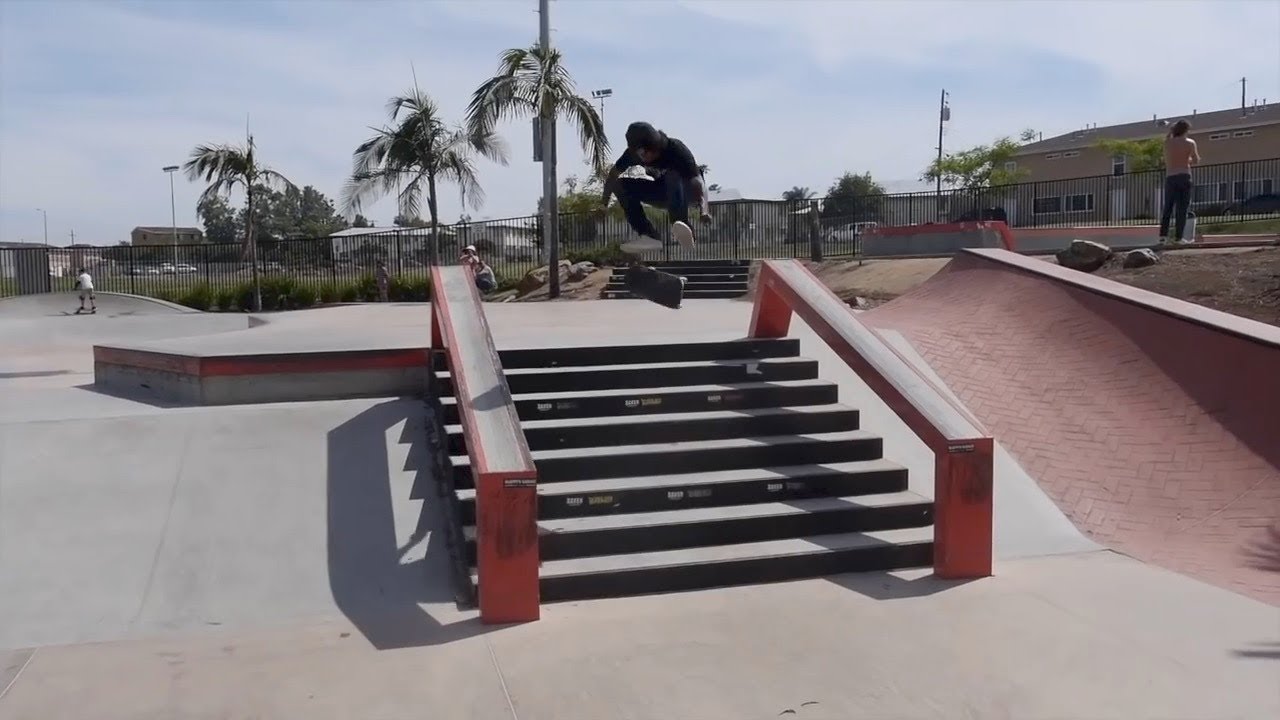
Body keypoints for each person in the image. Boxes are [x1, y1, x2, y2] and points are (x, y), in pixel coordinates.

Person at [600, 121, 712, 253]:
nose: (645, 158)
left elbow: (698, 181)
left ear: (656, 146)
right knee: (619, 185)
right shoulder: (633, 154)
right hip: (662, 193)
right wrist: (603, 204)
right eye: (641, 154)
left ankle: (682, 225)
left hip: (688, 192)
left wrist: (704, 209)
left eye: (647, 153)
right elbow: (613, 175)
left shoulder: (676, 149)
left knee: (672, 174)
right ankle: (649, 235)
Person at [1160, 119, 1200, 244]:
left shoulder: (1167, 143)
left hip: (1170, 177)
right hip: (1184, 176)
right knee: (1182, 208)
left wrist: (1171, 130)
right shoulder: (1190, 143)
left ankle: (1163, 237)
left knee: (1168, 207)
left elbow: (1167, 140)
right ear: (1186, 130)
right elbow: (1196, 160)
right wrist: (1187, 159)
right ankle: (1179, 238)